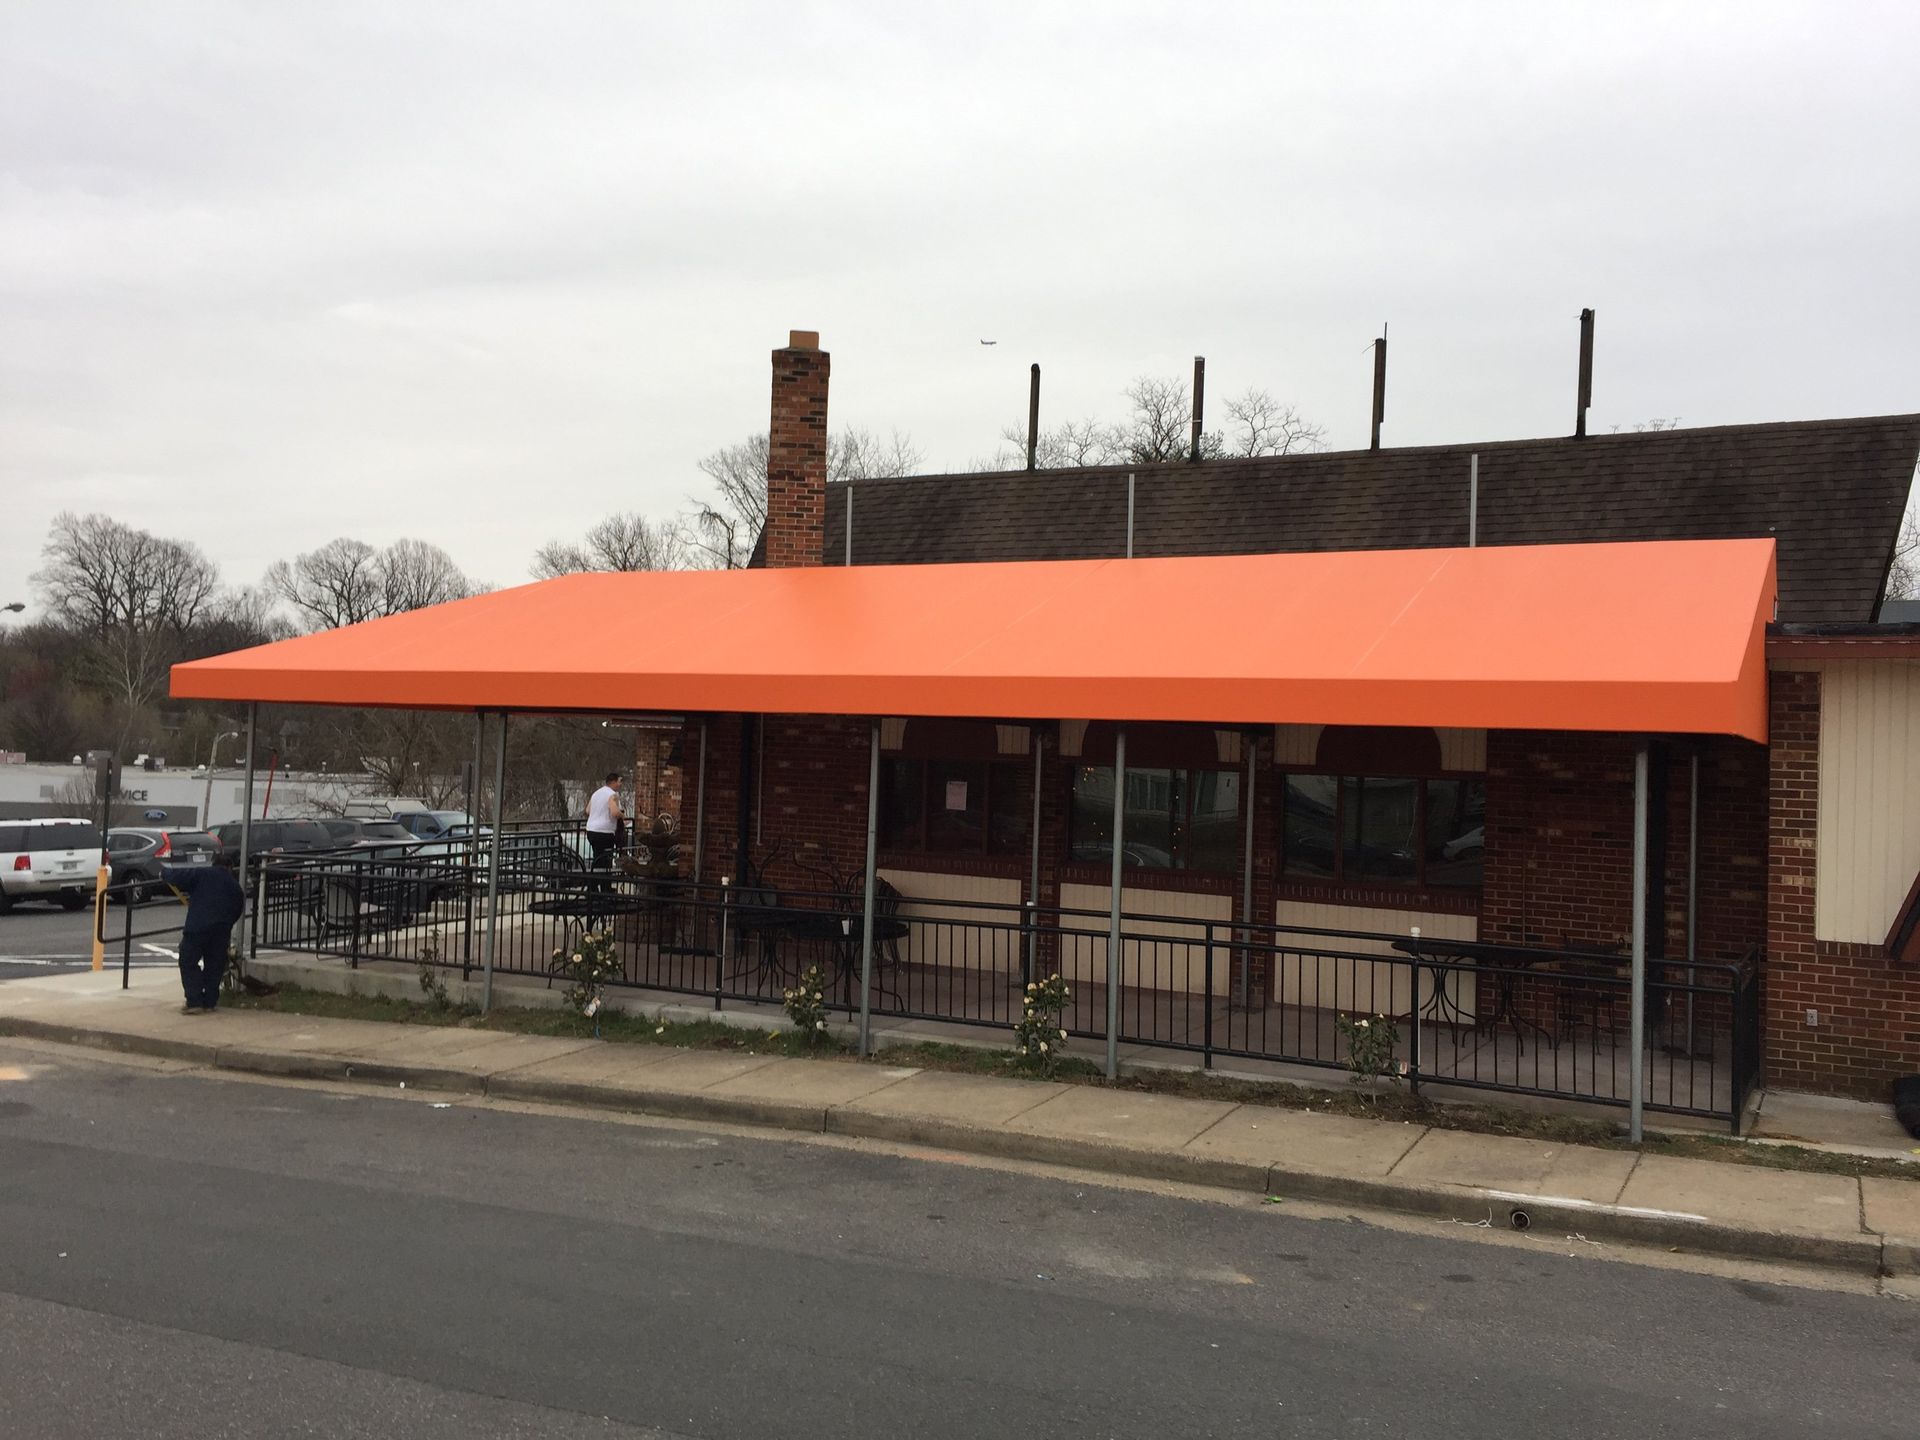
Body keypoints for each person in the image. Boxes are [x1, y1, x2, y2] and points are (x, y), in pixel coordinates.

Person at [162, 854, 246, 1014]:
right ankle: (209, 1002)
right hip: (221, 930)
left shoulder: (203, 874)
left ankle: (194, 1001)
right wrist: (226, 924)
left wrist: (164, 873)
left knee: (188, 961)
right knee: (214, 966)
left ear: (214, 864)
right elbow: (237, 910)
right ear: (230, 868)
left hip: (198, 927)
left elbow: (179, 877)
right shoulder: (235, 887)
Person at [585, 771, 624, 870]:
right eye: (619, 781)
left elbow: (588, 810)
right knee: (606, 860)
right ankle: (604, 884)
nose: (620, 784)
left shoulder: (596, 793)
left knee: (597, 858)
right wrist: (622, 814)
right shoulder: (613, 795)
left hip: (591, 830)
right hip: (604, 832)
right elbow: (615, 812)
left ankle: (593, 883)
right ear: (613, 782)